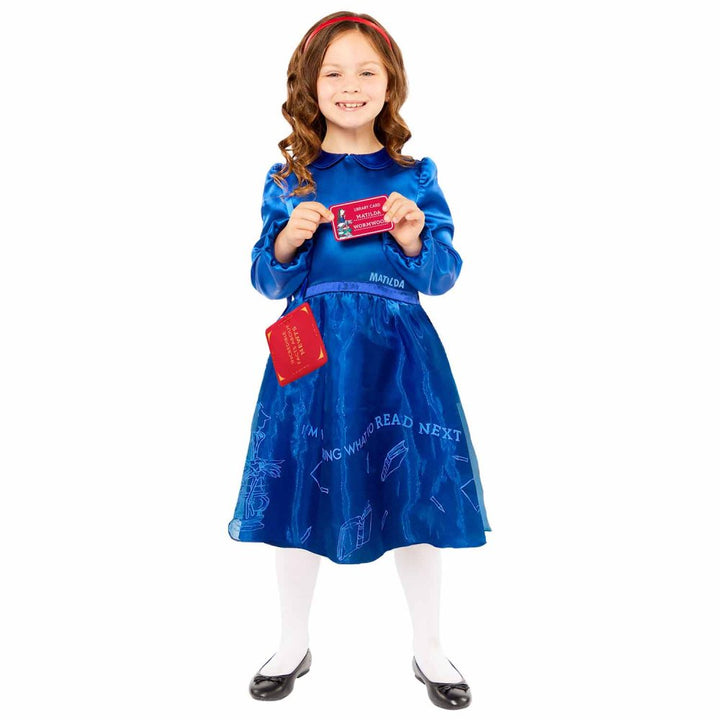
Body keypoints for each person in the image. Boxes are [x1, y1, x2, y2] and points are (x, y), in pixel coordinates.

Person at [228, 11, 491, 709]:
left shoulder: (414, 177)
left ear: (390, 83)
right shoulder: (291, 178)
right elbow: (266, 280)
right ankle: (292, 640)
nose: (350, 85)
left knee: (418, 490)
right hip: (309, 354)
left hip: (398, 356)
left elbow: (442, 276)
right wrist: (287, 240)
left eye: (366, 71)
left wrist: (412, 236)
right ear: (309, 86)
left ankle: (429, 645)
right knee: (298, 483)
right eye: (334, 73)